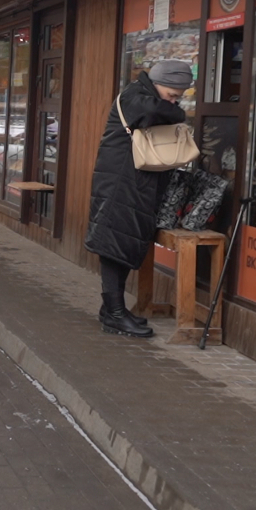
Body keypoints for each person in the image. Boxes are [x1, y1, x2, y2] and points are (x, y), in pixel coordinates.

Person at [86, 60, 193, 338]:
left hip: (131, 183)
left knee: (123, 244)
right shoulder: (135, 97)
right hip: (119, 182)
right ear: (158, 82)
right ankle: (114, 313)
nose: (173, 101)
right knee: (114, 244)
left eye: (178, 97)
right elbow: (156, 111)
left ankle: (112, 308)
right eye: (172, 94)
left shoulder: (144, 95)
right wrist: (178, 111)